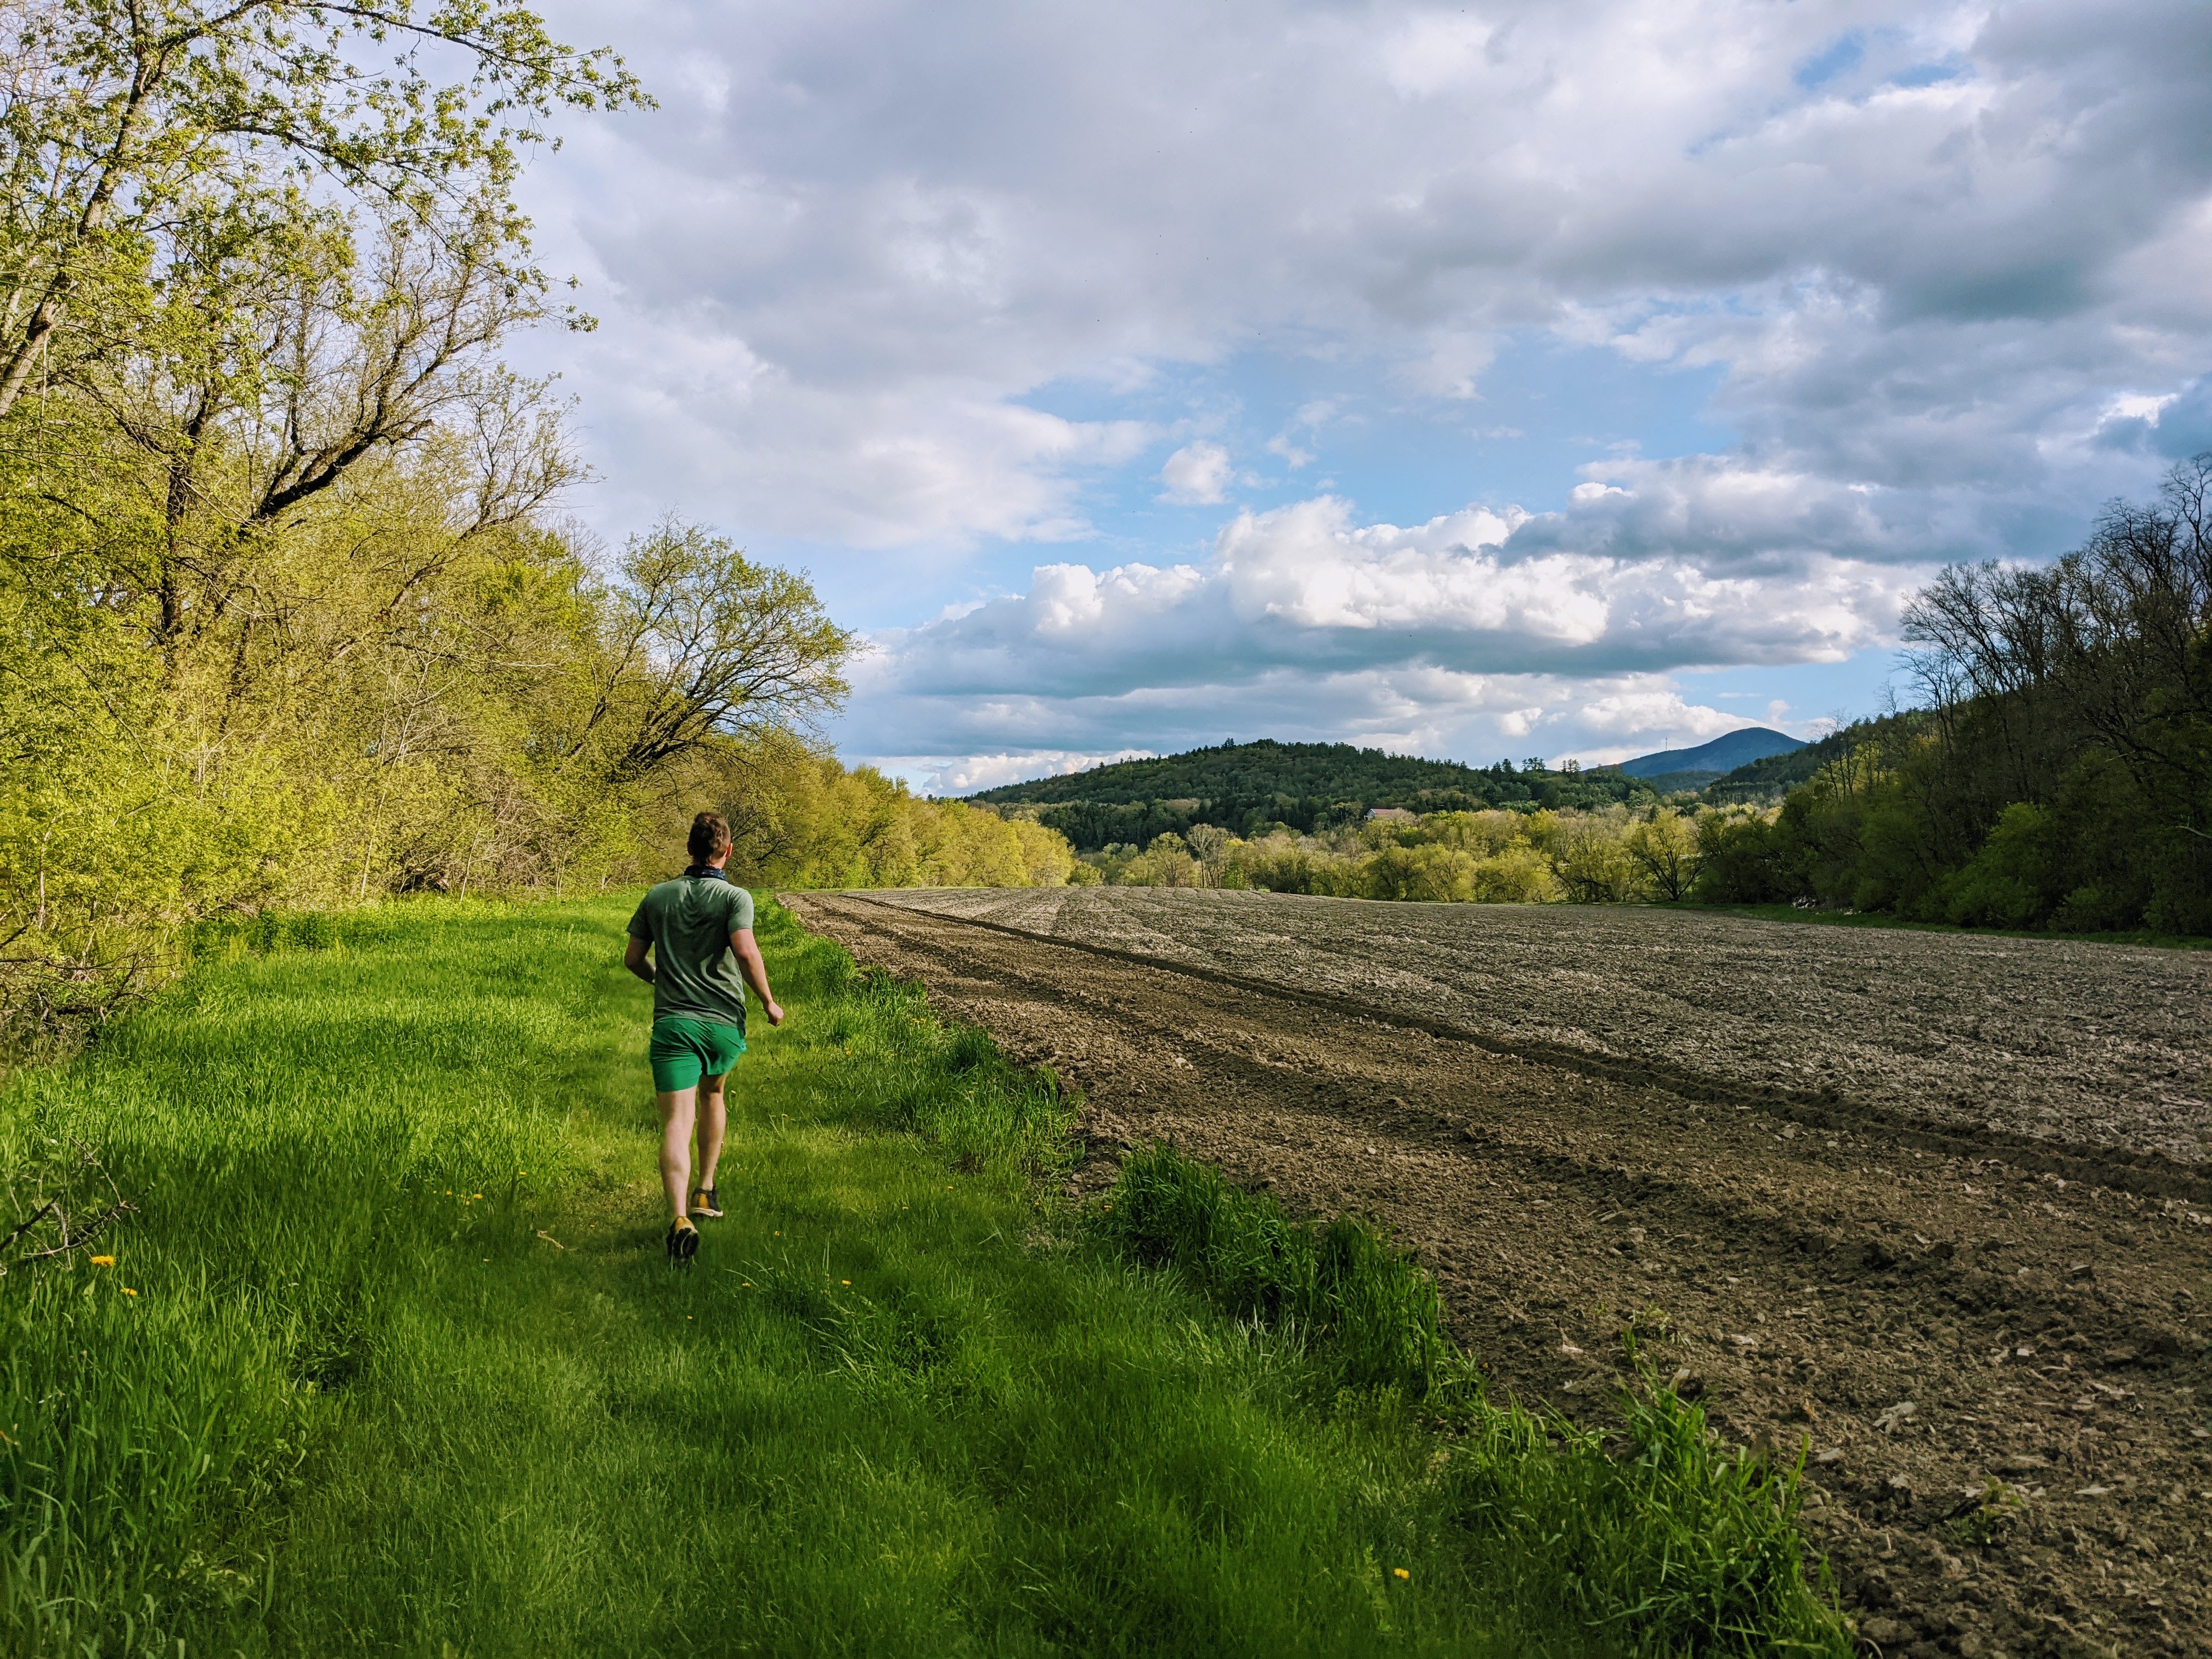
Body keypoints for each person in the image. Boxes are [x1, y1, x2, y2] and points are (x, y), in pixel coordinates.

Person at [624, 811, 784, 1263]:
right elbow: (746, 950)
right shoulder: (736, 897)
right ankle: (706, 1193)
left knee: (676, 1121)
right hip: (722, 1025)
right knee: (713, 1096)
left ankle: (679, 1218)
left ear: (690, 849)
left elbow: (633, 958)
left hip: (674, 1023)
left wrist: (661, 980)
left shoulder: (658, 897)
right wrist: (769, 1002)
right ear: (727, 851)